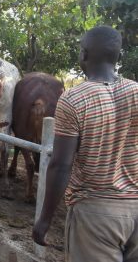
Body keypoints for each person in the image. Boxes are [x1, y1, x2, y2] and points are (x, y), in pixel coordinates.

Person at [33, 26, 138, 261]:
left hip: (97, 213)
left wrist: (45, 219)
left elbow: (61, 165)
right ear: (119, 57)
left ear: (83, 55)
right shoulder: (136, 91)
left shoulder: (74, 99)